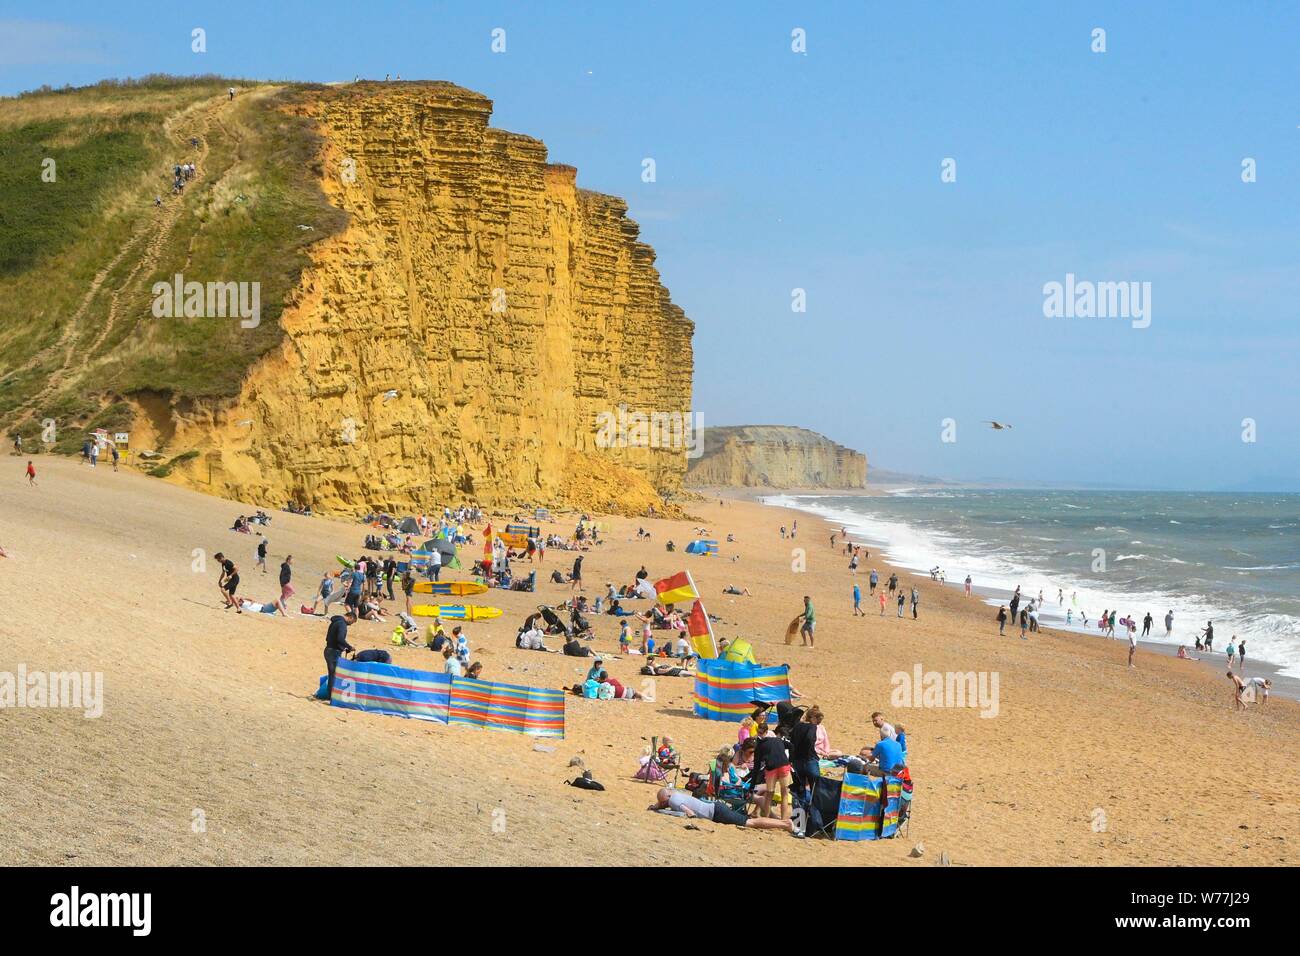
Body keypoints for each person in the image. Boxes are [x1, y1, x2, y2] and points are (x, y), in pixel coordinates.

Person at [648, 788, 792, 831]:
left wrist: (662, 810)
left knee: (751, 823)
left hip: (717, 813)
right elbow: (662, 801)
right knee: (750, 822)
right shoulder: (675, 795)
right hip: (716, 809)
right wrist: (656, 807)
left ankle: (785, 824)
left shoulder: (673, 800)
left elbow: (690, 814)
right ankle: (783, 823)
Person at [323, 610, 357, 701]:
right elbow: (340, 639)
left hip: (328, 650)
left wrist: (343, 647)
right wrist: (349, 647)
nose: (350, 624)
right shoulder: (342, 624)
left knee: (332, 674)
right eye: (352, 622)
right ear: (350, 617)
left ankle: (330, 695)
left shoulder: (335, 621)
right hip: (334, 652)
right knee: (334, 674)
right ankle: (331, 697)